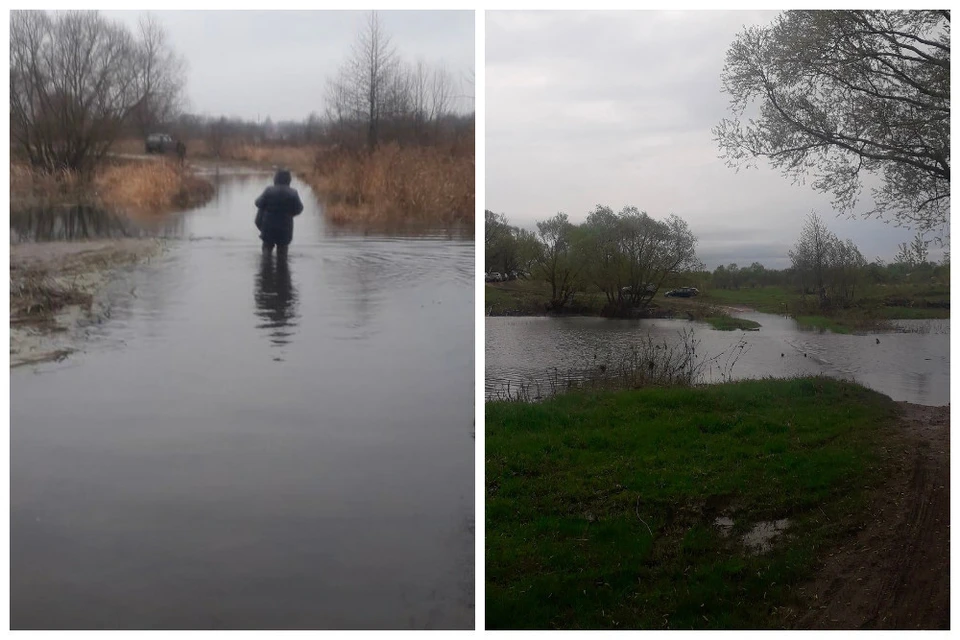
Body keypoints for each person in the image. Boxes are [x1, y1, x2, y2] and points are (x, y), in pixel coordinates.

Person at [254, 169, 304, 257]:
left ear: (275, 179)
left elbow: (258, 203)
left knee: (266, 251)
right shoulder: (293, 193)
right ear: (289, 180)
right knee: (283, 254)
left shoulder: (268, 190)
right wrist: (290, 214)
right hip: (285, 228)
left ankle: (265, 268)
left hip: (268, 228)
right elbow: (299, 209)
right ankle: (282, 270)